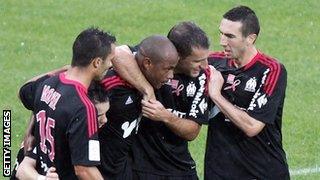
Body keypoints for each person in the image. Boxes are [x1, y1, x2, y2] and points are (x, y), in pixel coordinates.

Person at [112, 21, 210, 179]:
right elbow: (117, 53)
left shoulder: (200, 78)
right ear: (177, 56)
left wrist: (165, 116)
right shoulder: (154, 59)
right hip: (141, 168)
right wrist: (147, 89)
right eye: (197, 61)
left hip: (179, 167)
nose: (205, 66)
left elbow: (192, 131)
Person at [16, 27, 116, 179]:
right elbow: (84, 169)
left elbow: (24, 91)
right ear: (96, 62)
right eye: (110, 60)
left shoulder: (47, 84)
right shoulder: (84, 107)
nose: (111, 65)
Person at [206, 6, 289, 179]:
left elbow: (252, 126)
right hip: (219, 172)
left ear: (250, 38)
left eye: (230, 36)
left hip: (262, 172)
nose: (222, 41)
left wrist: (216, 95)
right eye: (221, 33)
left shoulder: (271, 70)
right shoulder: (212, 62)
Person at [97, 35, 179, 179]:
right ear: (147, 63)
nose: (171, 76)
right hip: (100, 171)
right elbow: (118, 52)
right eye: (167, 69)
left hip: (123, 169)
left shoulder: (150, 78)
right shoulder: (110, 88)